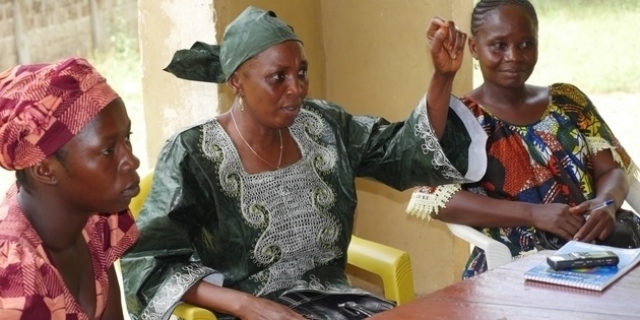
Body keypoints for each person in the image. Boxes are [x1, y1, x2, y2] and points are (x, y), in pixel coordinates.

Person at [121, 6, 487, 320]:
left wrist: (441, 77)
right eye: (277, 78)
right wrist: (246, 305)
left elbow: (402, 151)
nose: (296, 89)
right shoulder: (195, 152)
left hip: (337, 305)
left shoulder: (323, 127)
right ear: (237, 81)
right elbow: (148, 261)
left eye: (301, 73)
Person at [408, 0, 640, 279]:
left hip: (602, 248)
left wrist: (606, 204)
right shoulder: (463, 118)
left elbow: (612, 168)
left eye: (526, 44)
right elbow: (435, 199)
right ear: (473, 48)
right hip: (517, 264)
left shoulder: (567, 100)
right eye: (499, 45)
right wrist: (532, 214)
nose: (514, 56)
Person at [0, 57, 140, 319]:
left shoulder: (96, 219)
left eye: (127, 138)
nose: (132, 161)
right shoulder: (14, 276)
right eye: (109, 150)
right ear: (44, 169)